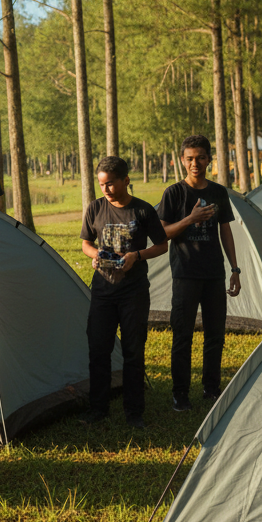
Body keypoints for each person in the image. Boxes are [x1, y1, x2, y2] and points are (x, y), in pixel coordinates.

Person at [80, 156, 168, 429]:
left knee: (133, 351)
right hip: (103, 292)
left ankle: (134, 412)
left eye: (110, 184)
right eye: (102, 185)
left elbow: (162, 245)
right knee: (98, 350)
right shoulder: (95, 208)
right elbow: (85, 242)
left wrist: (136, 256)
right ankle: (98, 409)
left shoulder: (142, 211)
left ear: (125, 181)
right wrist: (95, 256)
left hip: (134, 293)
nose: (105, 190)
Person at [158, 135, 241, 413]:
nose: (195, 163)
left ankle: (211, 388)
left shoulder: (218, 192)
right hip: (185, 273)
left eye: (201, 157)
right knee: (182, 335)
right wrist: (190, 219)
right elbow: (162, 233)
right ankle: (180, 394)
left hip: (214, 274)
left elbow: (225, 230)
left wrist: (235, 269)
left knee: (215, 335)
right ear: (182, 160)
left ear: (209, 159)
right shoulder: (174, 193)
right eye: (190, 158)